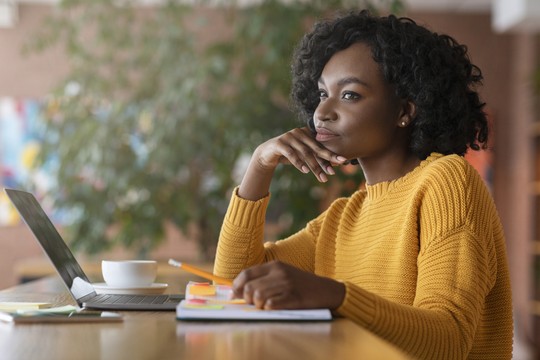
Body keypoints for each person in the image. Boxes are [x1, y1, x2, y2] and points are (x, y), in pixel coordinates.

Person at [213, 10, 513, 360]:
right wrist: (259, 165)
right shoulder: (345, 215)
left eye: (350, 95)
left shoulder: (446, 182)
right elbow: (233, 283)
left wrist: (336, 296)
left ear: (405, 110)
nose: (322, 112)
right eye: (323, 93)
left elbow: (448, 340)